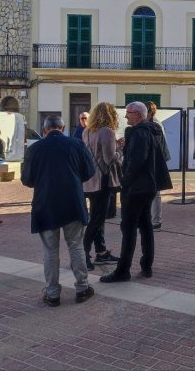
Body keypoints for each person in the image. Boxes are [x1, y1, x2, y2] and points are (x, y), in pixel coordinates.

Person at [21, 115, 96, 307]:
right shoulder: (76, 144)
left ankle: (53, 293)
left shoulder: (35, 148)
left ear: (45, 130)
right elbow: (89, 171)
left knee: (50, 250)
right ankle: (82, 287)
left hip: (46, 203)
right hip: (73, 202)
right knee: (76, 245)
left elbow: (27, 179)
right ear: (62, 128)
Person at [100, 101, 171, 283]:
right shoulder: (151, 131)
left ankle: (123, 270)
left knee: (129, 228)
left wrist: (125, 181)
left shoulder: (139, 133)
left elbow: (136, 160)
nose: (125, 116)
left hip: (136, 188)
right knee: (146, 226)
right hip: (148, 187)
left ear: (138, 115)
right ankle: (146, 265)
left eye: (129, 113)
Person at [81, 103, 122, 271]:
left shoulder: (86, 131)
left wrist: (115, 145)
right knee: (97, 219)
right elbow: (109, 159)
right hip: (102, 180)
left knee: (96, 216)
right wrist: (121, 150)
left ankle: (101, 251)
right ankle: (83, 253)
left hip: (89, 180)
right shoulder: (107, 131)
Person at [146, 101, 171, 231]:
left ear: (149, 112)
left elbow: (157, 146)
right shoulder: (155, 123)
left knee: (155, 193)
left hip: (155, 161)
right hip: (157, 160)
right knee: (154, 192)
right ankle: (154, 220)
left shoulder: (153, 125)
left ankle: (156, 221)